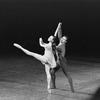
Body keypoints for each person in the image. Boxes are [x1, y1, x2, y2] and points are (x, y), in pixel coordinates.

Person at [50, 22, 75, 92]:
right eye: (62, 38)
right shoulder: (61, 40)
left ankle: (72, 89)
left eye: (64, 39)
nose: (62, 39)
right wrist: (59, 26)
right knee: (52, 72)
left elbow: (54, 47)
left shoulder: (61, 46)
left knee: (67, 74)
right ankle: (53, 86)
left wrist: (51, 42)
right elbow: (59, 34)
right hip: (58, 60)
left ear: (65, 41)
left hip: (62, 61)